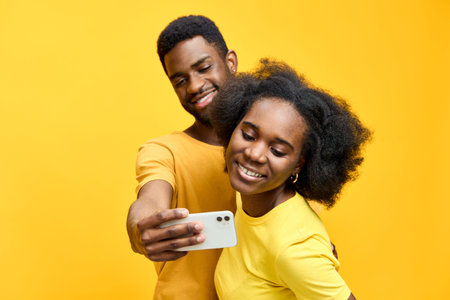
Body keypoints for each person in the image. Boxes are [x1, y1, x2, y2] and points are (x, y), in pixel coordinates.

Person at [209, 59, 372, 299]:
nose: (253, 154)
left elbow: (295, 245)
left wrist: (308, 258)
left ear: (299, 164)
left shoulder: (295, 248)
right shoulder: (251, 196)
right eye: (248, 134)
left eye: (277, 151)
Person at [126, 15, 238, 299]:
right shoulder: (163, 151)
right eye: (180, 80)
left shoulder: (271, 148)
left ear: (230, 63)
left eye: (203, 68)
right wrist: (140, 230)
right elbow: (149, 201)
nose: (195, 86)